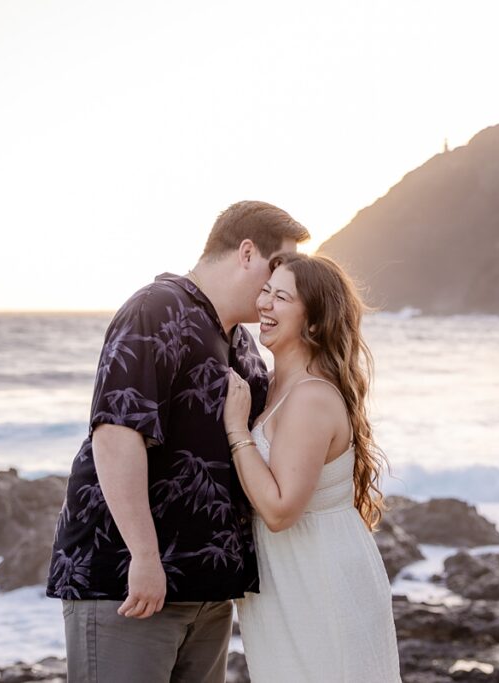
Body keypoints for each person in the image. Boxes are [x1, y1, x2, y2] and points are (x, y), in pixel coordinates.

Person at [46, 201, 309, 682]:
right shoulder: (156, 308)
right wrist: (145, 558)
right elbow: (116, 433)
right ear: (246, 252)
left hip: (207, 591)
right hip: (130, 582)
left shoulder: (243, 345)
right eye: (275, 269)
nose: (276, 290)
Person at [224, 252, 402, 682]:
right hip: (294, 583)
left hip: (320, 586)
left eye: (281, 297)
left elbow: (281, 510)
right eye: (266, 290)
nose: (264, 303)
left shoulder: (310, 397)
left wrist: (236, 430)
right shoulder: (276, 387)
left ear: (315, 322)